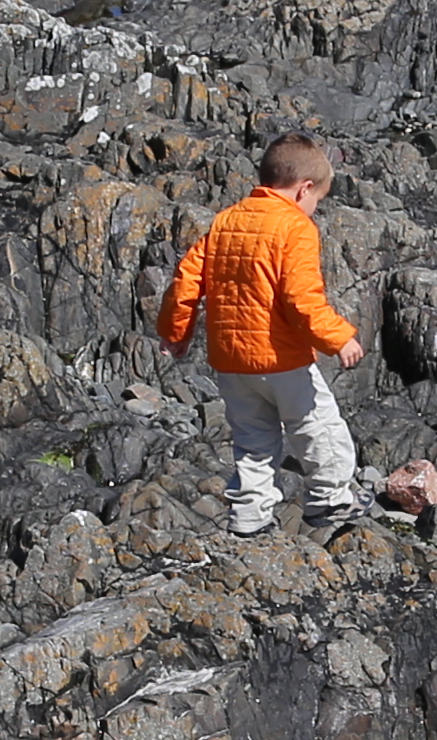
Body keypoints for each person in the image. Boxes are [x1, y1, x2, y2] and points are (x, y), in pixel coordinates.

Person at [156, 134, 368, 539]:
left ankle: (250, 518)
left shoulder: (226, 220)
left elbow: (186, 282)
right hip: (281, 357)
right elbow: (300, 297)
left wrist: (175, 332)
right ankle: (330, 498)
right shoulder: (295, 227)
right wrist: (337, 337)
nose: (314, 208)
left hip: (232, 362)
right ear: (304, 189)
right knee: (317, 426)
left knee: (253, 441)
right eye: (316, 200)